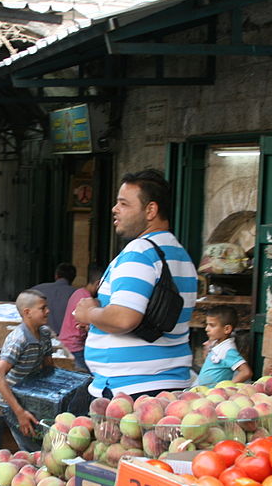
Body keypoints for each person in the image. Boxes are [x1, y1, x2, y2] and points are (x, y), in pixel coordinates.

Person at [74, 169, 198, 398]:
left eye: (124, 203)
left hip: (130, 390)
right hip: (170, 385)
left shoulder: (139, 252)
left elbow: (124, 318)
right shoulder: (181, 255)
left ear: (150, 210)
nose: (115, 209)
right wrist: (101, 320)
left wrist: (89, 313)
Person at [0, 289, 54, 451]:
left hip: (31, 398)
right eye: (43, 308)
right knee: (32, 448)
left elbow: (49, 369)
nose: (48, 311)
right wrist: (19, 412)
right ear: (27, 312)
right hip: (13, 403)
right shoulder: (18, 339)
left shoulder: (45, 334)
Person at [58, 265, 104, 373]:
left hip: (68, 343)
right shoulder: (86, 300)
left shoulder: (79, 292)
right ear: (98, 284)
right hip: (75, 346)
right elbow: (81, 326)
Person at [196, 306, 252, 387]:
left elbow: (246, 372)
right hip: (206, 392)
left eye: (212, 325)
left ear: (227, 329)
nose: (207, 329)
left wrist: (228, 387)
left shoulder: (228, 350)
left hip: (216, 395)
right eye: (207, 325)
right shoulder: (217, 344)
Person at [32, 263, 77, 333]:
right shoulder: (76, 294)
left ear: (56, 275)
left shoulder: (37, 289)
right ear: (73, 278)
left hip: (38, 336)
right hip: (64, 339)